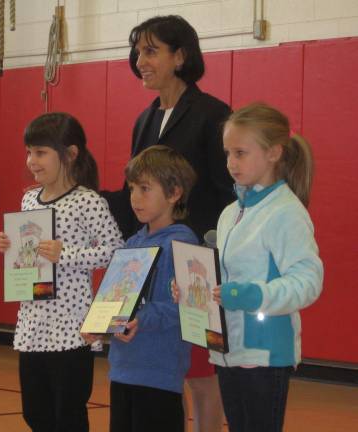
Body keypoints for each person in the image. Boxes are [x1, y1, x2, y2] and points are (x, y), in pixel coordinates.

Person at [102, 14, 233, 431]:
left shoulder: (213, 113)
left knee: (201, 378)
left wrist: (198, 253)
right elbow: (133, 195)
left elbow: (224, 192)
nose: (141, 60)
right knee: (166, 381)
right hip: (154, 266)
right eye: (138, 51)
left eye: (151, 51)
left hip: (195, 267)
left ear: (181, 56)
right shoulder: (144, 120)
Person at [0, 112, 124, 432]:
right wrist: (12, 247)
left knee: (67, 415)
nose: (31, 161)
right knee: (35, 414)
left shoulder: (87, 202)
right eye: (28, 151)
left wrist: (66, 254)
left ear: (70, 154)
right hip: (32, 324)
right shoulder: (28, 199)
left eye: (40, 152)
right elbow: (29, 255)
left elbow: (116, 252)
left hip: (71, 328)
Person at [211, 102, 324, 432]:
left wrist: (252, 296)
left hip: (264, 355)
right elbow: (225, 278)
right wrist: (195, 291)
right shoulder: (230, 212)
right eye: (228, 153)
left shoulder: (286, 212)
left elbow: (308, 280)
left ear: (274, 152)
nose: (231, 162)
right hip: (227, 351)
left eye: (241, 153)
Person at [100, 145, 198, 432]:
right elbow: (117, 300)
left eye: (145, 189)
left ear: (174, 193)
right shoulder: (132, 244)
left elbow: (184, 308)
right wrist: (101, 321)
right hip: (122, 370)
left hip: (158, 374)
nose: (135, 198)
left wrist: (141, 319)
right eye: (132, 189)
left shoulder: (182, 245)